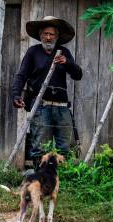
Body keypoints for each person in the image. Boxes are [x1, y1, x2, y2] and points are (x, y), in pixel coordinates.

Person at [12, 16, 83, 169]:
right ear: (40, 35)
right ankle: (41, 177)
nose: (48, 37)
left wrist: (68, 63)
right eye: (45, 34)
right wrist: (16, 94)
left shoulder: (64, 52)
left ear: (57, 36)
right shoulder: (33, 52)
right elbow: (21, 75)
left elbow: (78, 75)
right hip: (40, 106)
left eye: (52, 34)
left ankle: (63, 179)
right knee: (40, 148)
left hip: (62, 107)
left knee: (65, 146)